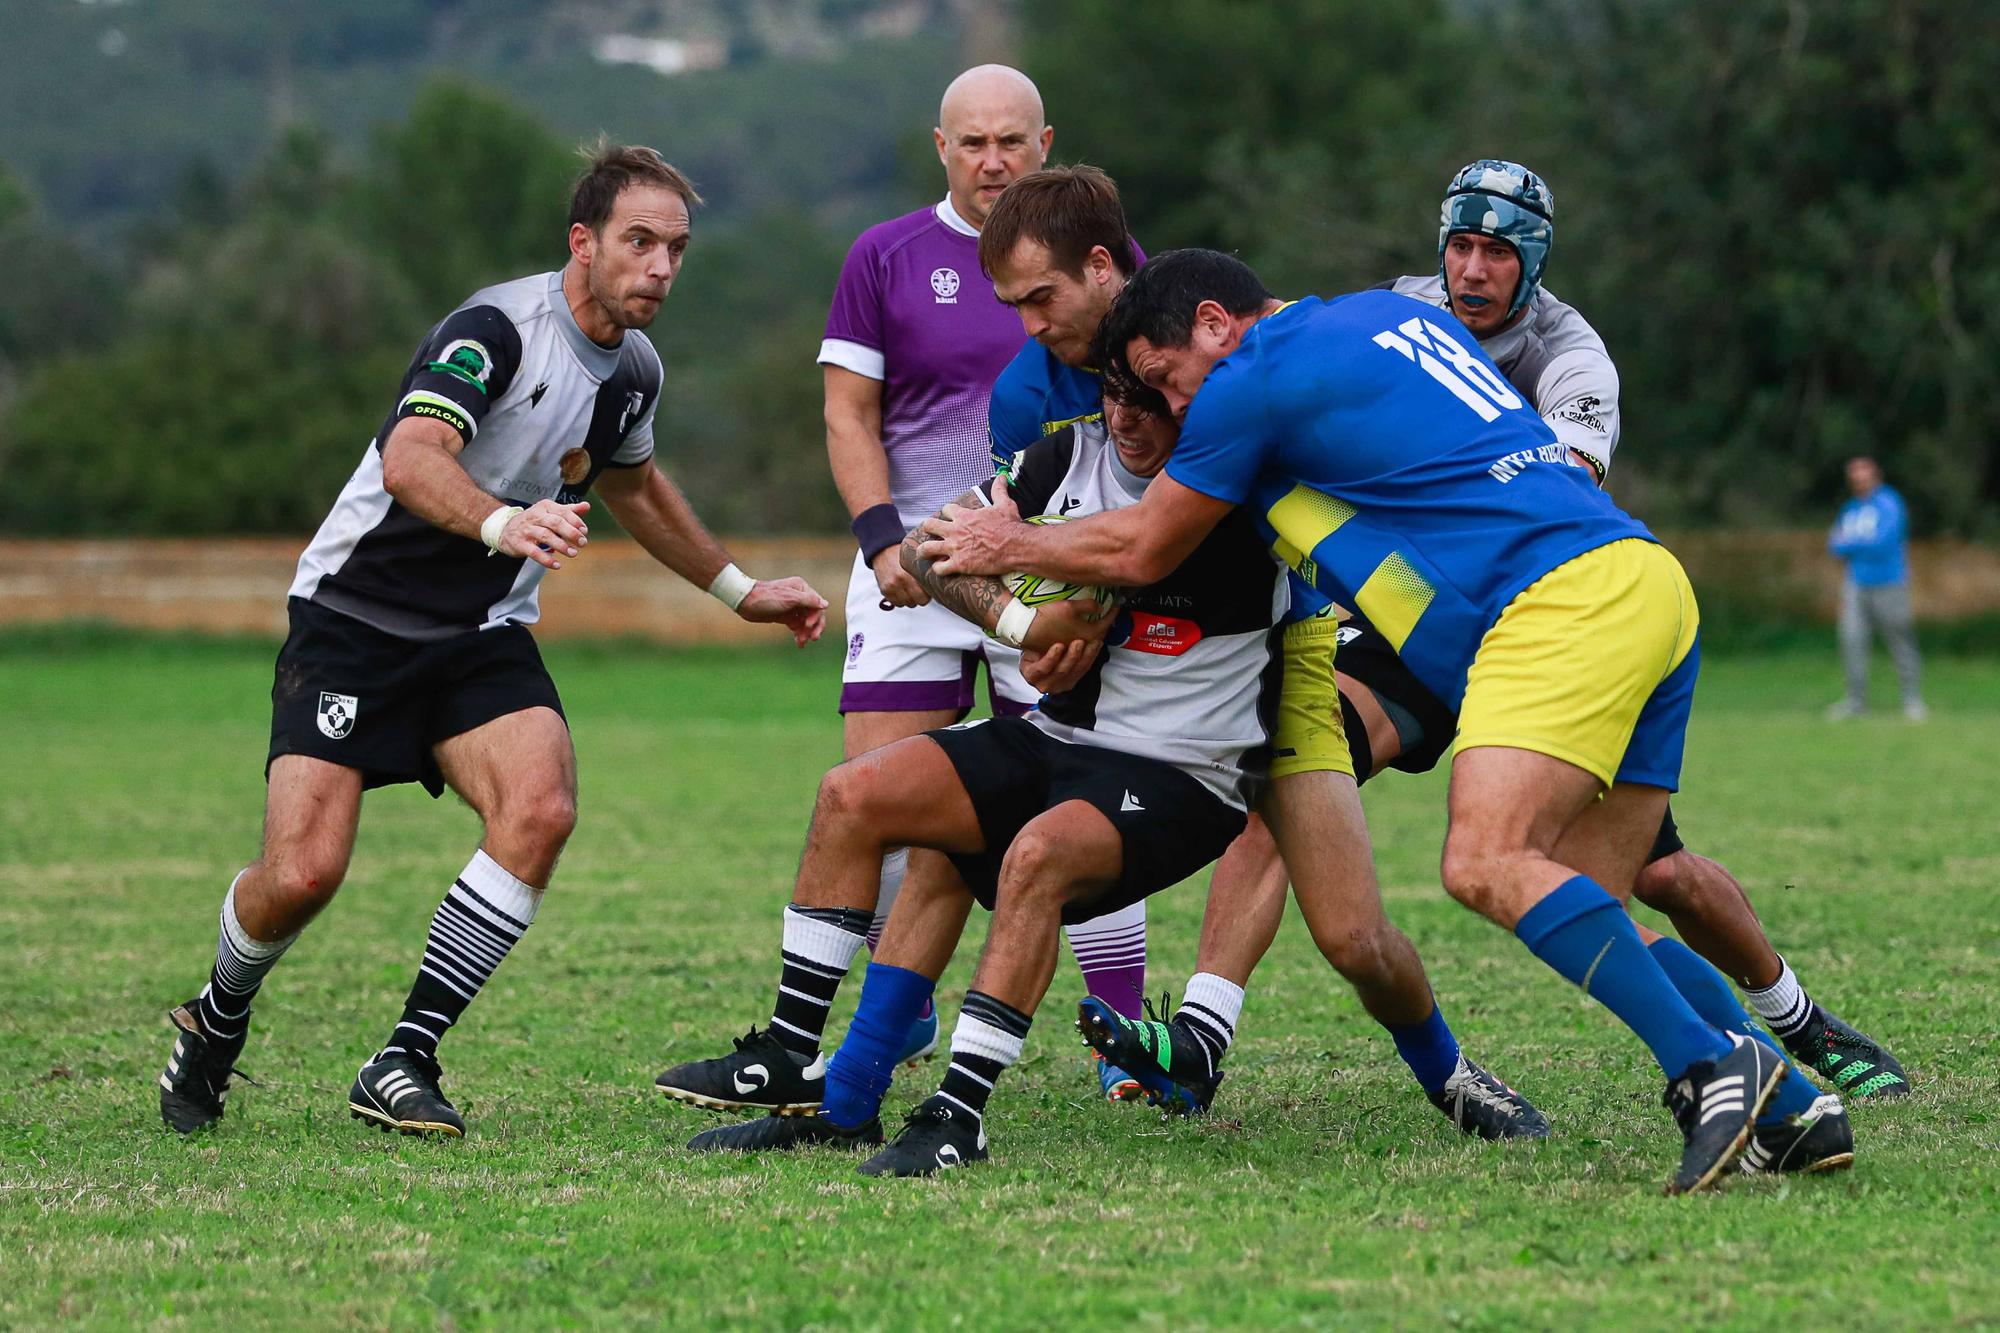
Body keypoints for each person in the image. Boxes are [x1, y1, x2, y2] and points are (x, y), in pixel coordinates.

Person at [923, 248, 1841, 1193]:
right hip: (1642, 575)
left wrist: (1012, 541)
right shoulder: (1387, 316)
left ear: (1213, 323)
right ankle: (1791, 1105)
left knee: (1484, 860)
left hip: (1552, 600)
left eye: (1166, 380)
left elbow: (1149, 539)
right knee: (1585, 891)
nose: (1177, 408)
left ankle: (1711, 1067)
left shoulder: (1250, 375)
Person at [1109, 161, 1905, 1108]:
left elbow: (1552, 487)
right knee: (1293, 770)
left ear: (1534, 265)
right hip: (1416, 625)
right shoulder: (1393, 312)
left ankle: (1792, 1020)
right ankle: (1204, 1027)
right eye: (1460, 245)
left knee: (1657, 878)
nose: (1473, 270)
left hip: (1542, 615)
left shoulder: (1573, 358)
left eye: (1497, 251)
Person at [155, 144, 829, 1139]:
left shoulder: (633, 370)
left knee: (540, 806)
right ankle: (216, 1014)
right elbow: (410, 456)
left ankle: (402, 1055)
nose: (659, 267)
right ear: (583, 242)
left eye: (675, 249)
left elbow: (634, 484)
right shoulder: (496, 331)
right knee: (301, 874)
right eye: (638, 242)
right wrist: (502, 524)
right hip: (355, 620)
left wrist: (738, 590)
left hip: (478, 633)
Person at [979, 167, 1549, 1136]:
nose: (1033, 326)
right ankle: (907, 1076)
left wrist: (1016, 558)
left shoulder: (1232, 365)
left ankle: (1449, 1073)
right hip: (1144, 694)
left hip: (1278, 675)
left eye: (1042, 299)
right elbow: (1042, 549)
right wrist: (1034, 622)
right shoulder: (1028, 391)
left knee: (1354, 935)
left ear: (1105, 275)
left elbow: (1144, 541)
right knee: (997, 837)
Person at [766, 62, 1150, 1101]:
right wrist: (884, 539)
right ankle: (896, 1019)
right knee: (886, 805)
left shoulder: (1097, 255)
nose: (992, 159)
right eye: (971, 141)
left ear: (1044, 142)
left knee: (1080, 797)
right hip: (909, 564)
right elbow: (847, 415)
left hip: (1049, 565)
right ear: (940, 147)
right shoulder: (883, 255)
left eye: (1011, 140)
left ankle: (1124, 1033)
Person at [1828, 456, 1925, 721]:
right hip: (1856, 584)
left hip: (1889, 583)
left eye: (1864, 475)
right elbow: (1834, 544)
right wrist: (1857, 542)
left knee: (1899, 639)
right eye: (1855, 476)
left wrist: (1853, 542)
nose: (1859, 481)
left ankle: (1912, 700)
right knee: (1852, 640)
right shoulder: (1850, 509)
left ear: (1875, 475)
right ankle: (1856, 701)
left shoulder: (1889, 503)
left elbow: (1883, 541)